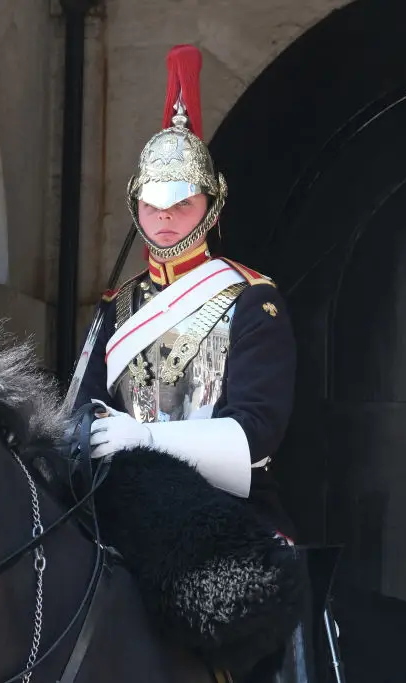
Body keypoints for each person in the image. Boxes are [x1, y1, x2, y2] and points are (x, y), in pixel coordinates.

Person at [70, 44, 297, 540]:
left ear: (212, 207)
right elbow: (79, 412)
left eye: (182, 202)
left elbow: (255, 434)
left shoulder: (252, 300)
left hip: (225, 504)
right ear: (137, 208)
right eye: (153, 204)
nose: (165, 216)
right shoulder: (117, 307)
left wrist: (147, 436)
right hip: (123, 502)